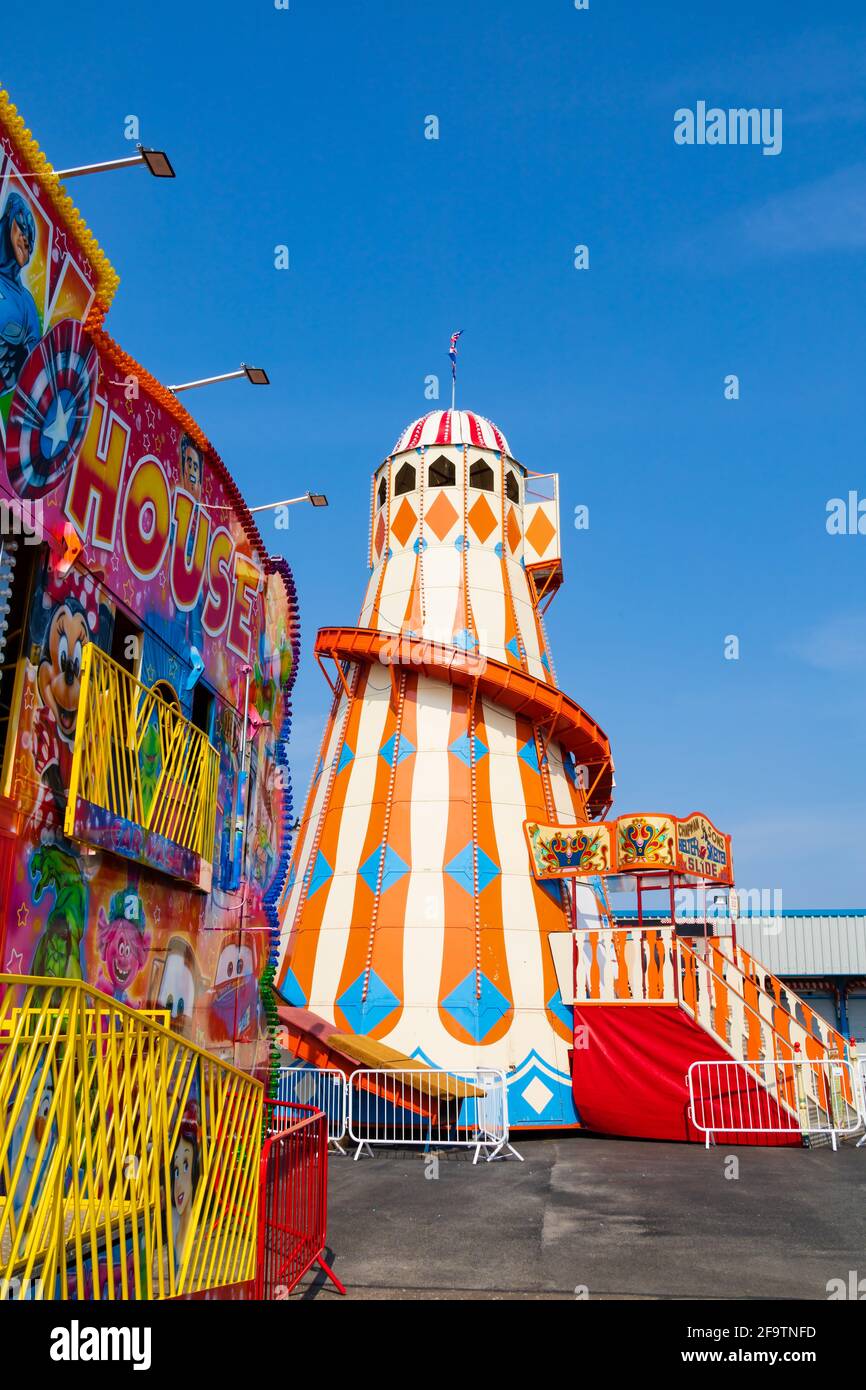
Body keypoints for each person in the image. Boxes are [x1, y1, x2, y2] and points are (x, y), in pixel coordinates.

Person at [0, 191, 40, 393]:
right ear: (9, 217)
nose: (27, 240)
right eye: (23, 226)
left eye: (31, 238)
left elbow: (38, 374)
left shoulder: (26, 304)